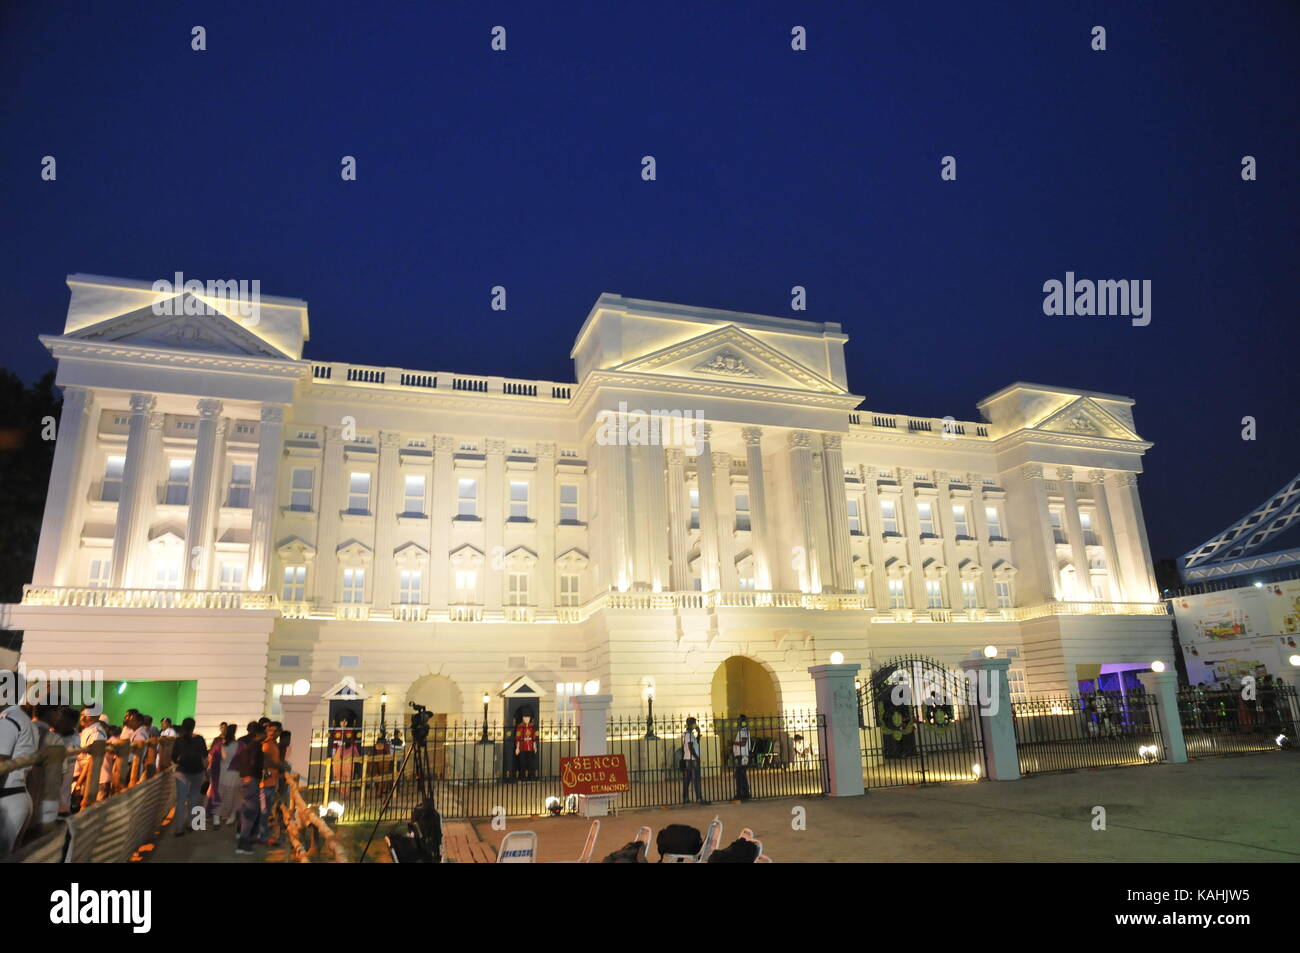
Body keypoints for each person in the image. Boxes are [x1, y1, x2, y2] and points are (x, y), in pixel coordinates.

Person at [0, 684, 40, 856]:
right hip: (19, 795)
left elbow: (1, 763)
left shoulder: (8, 720)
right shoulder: (24, 719)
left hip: (7, 800)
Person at [170, 718, 208, 837]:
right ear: (194, 726)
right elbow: (205, 756)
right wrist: (205, 770)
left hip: (182, 772)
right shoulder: (199, 739)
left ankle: (178, 829)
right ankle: (191, 824)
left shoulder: (178, 740)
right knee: (193, 798)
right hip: (197, 772)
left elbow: (174, 758)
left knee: (181, 801)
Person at [233, 722, 265, 855]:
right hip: (252, 780)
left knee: (246, 812)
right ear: (259, 734)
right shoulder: (256, 746)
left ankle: (242, 841)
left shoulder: (246, 746)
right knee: (250, 813)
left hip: (244, 779)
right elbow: (253, 763)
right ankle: (244, 844)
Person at [257, 722, 286, 846]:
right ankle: (261, 836)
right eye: (271, 730)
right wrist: (282, 766)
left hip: (270, 782)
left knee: (266, 810)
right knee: (264, 811)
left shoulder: (273, 744)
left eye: (275, 731)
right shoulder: (267, 745)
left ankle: (262, 834)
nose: (273, 733)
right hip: (265, 783)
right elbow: (268, 762)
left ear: (279, 732)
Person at [208, 724, 240, 827]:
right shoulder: (240, 745)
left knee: (219, 795)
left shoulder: (219, 745)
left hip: (221, 773)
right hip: (235, 774)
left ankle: (216, 819)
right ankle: (230, 817)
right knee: (233, 796)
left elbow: (211, 757)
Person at [679, 716, 708, 805]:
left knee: (687, 779)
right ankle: (698, 798)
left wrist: (698, 733)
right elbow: (690, 747)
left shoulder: (690, 734)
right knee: (696, 779)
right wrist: (696, 757)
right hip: (692, 759)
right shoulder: (688, 734)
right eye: (694, 723)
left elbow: (696, 743)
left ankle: (686, 798)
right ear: (691, 724)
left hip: (689, 759)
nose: (696, 725)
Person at [731, 714, 751, 802]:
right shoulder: (742, 731)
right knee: (741, 776)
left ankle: (741, 794)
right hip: (741, 755)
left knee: (740, 776)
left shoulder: (743, 731)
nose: (737, 722)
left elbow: (743, 743)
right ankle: (745, 793)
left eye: (739, 720)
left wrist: (732, 743)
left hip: (742, 756)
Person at [514, 711, 538, 781]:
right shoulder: (519, 726)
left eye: (528, 717)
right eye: (525, 717)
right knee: (522, 762)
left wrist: (534, 746)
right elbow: (518, 737)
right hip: (522, 746)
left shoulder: (532, 726)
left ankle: (532, 776)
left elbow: (534, 737)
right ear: (523, 718)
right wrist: (517, 747)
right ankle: (522, 776)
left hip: (530, 746)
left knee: (531, 762)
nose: (527, 719)